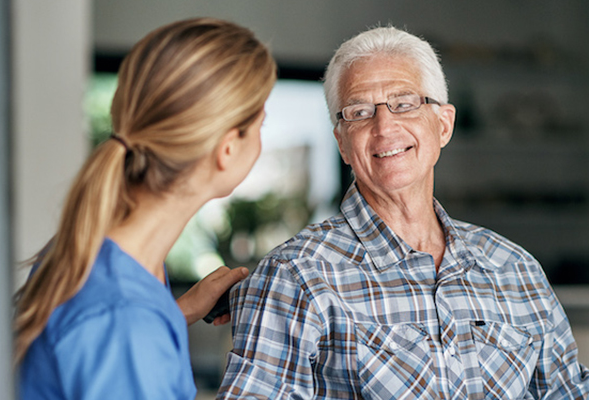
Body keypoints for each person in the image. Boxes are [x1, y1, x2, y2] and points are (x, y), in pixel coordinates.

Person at [217, 25, 589, 399]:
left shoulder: (515, 268)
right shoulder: (295, 276)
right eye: (359, 112)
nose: (384, 127)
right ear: (343, 143)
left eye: (404, 103)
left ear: (443, 125)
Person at [15, 18, 276, 400]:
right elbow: (118, 335)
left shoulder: (89, 250)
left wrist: (179, 311)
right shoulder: (125, 322)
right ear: (227, 148)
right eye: (259, 125)